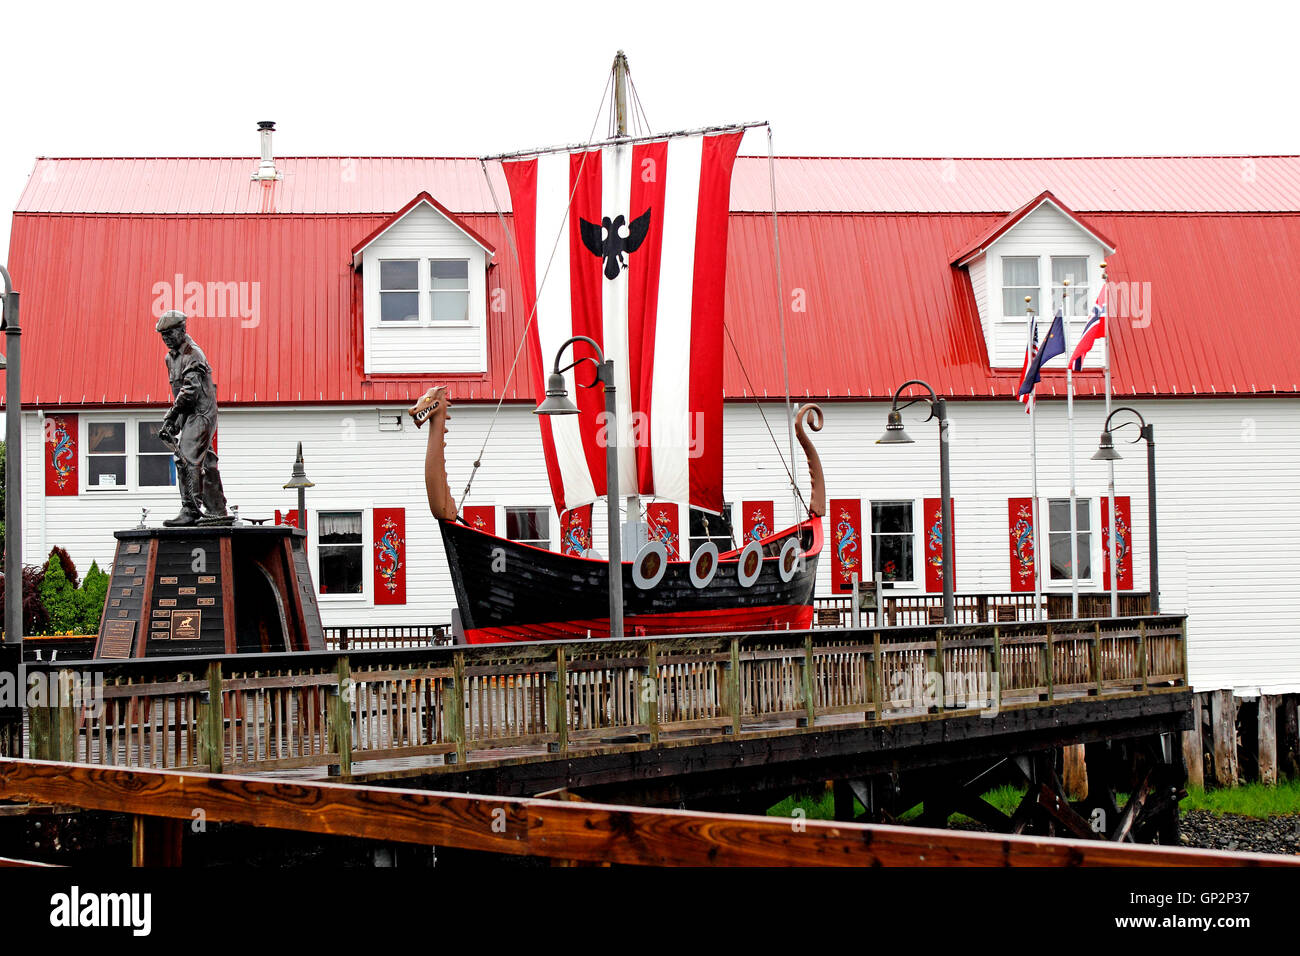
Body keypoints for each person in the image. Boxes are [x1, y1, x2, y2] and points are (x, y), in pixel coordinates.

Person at [156, 310, 229, 525]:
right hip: (189, 414)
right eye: (163, 336)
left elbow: (190, 391)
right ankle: (217, 509)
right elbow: (178, 392)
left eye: (170, 334)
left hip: (202, 413)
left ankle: (190, 509)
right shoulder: (170, 358)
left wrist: (171, 414)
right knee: (206, 461)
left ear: (182, 329)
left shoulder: (193, 354)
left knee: (185, 459)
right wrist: (174, 422)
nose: (166, 339)